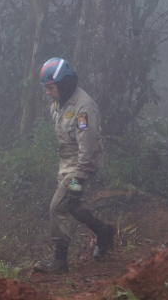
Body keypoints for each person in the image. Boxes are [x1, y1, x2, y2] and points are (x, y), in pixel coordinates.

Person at [34, 58, 115, 274]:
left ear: (63, 83)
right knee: (73, 204)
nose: (47, 93)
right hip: (67, 160)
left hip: (81, 162)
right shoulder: (60, 102)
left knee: (57, 207)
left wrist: (78, 178)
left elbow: (88, 149)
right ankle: (104, 231)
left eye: (50, 88)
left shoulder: (83, 108)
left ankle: (60, 261)